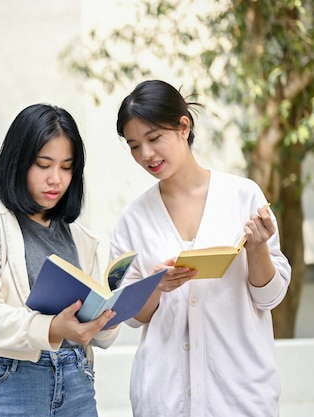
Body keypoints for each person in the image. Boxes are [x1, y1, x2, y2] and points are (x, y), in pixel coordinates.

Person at [110, 79, 291, 416]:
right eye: (134, 146)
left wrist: (257, 249)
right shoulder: (133, 218)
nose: (146, 155)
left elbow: (269, 298)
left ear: (183, 127)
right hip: (163, 397)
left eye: (153, 138)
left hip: (239, 395)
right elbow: (132, 315)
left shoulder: (243, 196)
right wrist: (156, 286)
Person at [0, 103, 120, 417]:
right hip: (8, 380)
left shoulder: (80, 237)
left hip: (76, 379)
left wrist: (111, 312)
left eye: (67, 167)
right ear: (18, 162)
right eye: (43, 164)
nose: (56, 179)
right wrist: (52, 328)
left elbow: (103, 336)